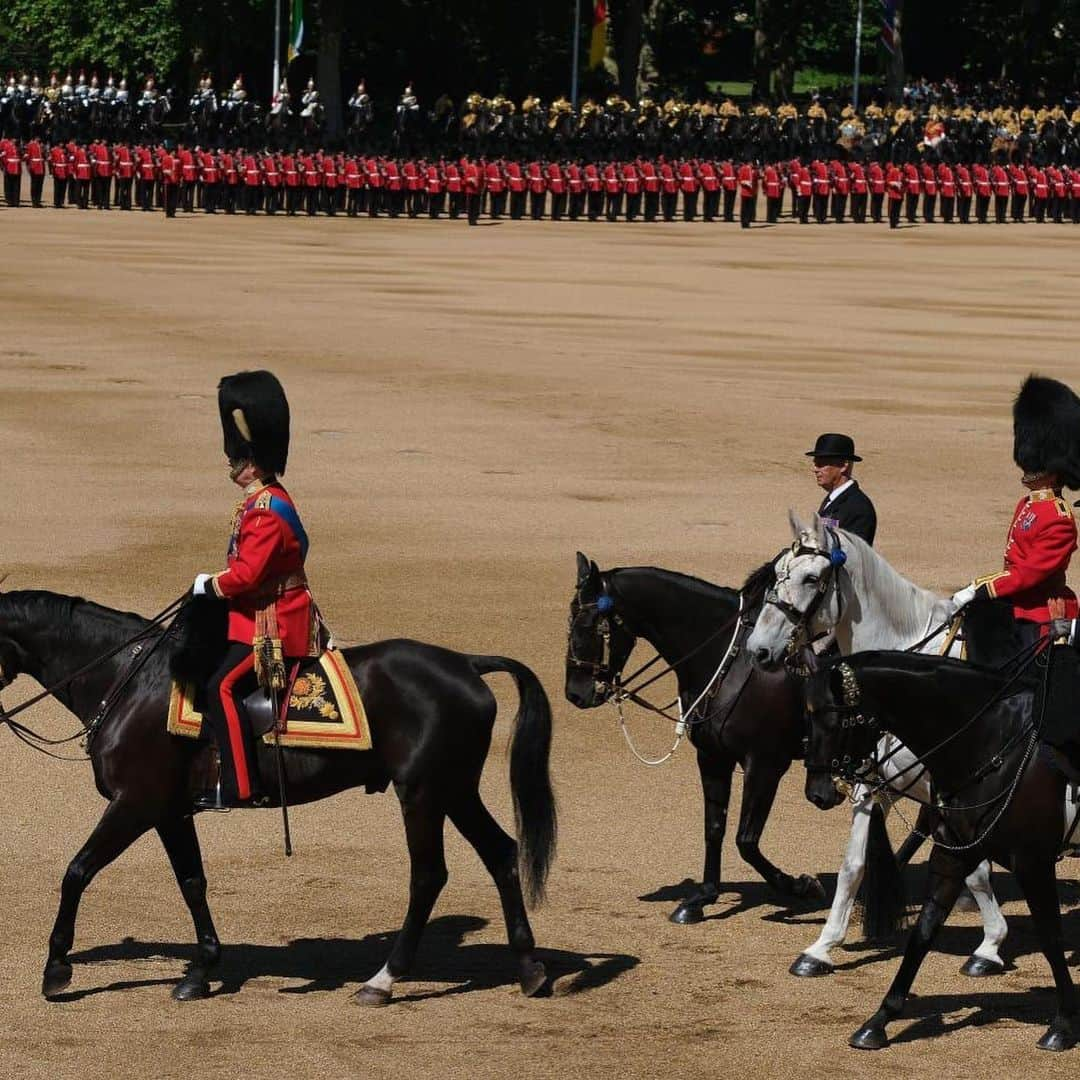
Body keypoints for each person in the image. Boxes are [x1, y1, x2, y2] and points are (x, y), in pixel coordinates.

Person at [192, 371, 321, 810]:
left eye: (238, 458)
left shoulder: (265, 510)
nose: (231, 465)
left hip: (272, 622)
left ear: (253, 462)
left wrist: (210, 584)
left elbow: (246, 576)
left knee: (220, 687)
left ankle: (240, 786)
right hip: (257, 611)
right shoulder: (263, 499)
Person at [952, 376, 1080, 637]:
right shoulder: (1027, 504)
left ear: (1054, 471)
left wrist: (981, 588)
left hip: (1040, 616)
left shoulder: (1059, 520)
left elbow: (1027, 574)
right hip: (1013, 602)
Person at [806, 433, 877, 545]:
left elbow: (855, 555)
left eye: (821, 464)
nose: (815, 469)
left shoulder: (859, 507)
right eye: (815, 464)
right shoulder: (833, 499)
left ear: (844, 466)